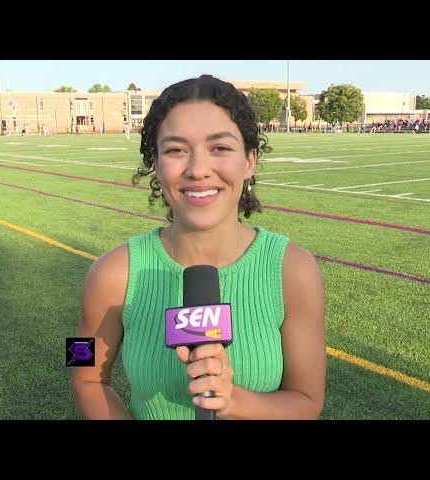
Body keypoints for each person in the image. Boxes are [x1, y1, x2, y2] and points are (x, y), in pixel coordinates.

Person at [72, 74, 326, 420]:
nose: (198, 170)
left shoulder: (295, 272)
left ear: (249, 160)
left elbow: (309, 400)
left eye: (220, 148)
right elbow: (81, 368)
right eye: (176, 150)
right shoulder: (108, 273)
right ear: (156, 164)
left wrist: (233, 400)